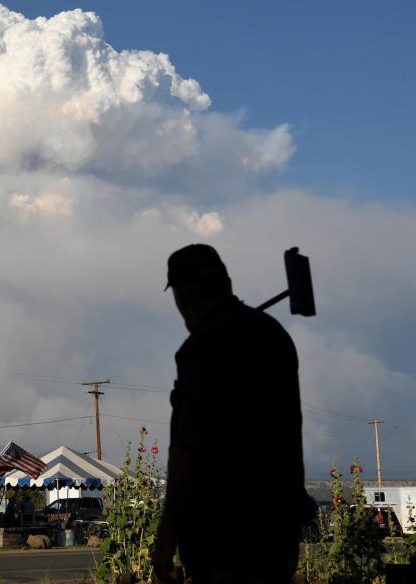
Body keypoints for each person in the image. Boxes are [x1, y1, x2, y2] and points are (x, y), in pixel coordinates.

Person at [151, 244, 314, 584]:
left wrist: (167, 535)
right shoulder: (271, 334)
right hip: (278, 523)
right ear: (225, 283)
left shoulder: (202, 348)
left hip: (223, 530)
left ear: (183, 295)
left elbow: (187, 448)